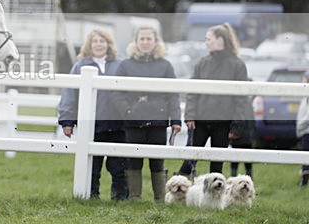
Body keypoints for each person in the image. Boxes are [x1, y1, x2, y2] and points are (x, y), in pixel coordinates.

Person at [112, 25, 182, 202]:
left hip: (158, 120)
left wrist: (175, 120)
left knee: (157, 161)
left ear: (155, 41)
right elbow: (116, 91)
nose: (145, 42)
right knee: (133, 161)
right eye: (141, 39)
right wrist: (127, 110)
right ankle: (136, 198)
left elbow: (173, 94)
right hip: (133, 120)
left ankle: (160, 199)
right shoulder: (125, 65)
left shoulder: (165, 66)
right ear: (135, 42)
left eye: (148, 39)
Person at [58, 28, 128, 200]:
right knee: (92, 165)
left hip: (118, 125)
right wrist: (67, 120)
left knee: (119, 166)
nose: (98, 44)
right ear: (89, 45)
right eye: (95, 41)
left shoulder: (121, 65)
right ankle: (90, 196)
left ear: (108, 44)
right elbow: (69, 94)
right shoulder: (80, 66)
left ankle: (120, 198)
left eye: (102, 41)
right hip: (92, 125)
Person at [176, 23, 249, 177]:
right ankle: (177, 192)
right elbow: (192, 92)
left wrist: (237, 126)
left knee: (217, 165)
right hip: (200, 121)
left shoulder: (237, 65)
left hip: (223, 124)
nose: (206, 42)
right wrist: (190, 116)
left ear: (220, 41)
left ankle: (214, 199)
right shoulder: (202, 63)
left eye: (208, 39)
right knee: (189, 161)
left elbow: (241, 99)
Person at [296, 72, 309, 187]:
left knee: (305, 154)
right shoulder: (305, 96)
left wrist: (301, 125)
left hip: (306, 130)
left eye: (304, 79)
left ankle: (304, 178)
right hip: (305, 129)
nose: (302, 81)